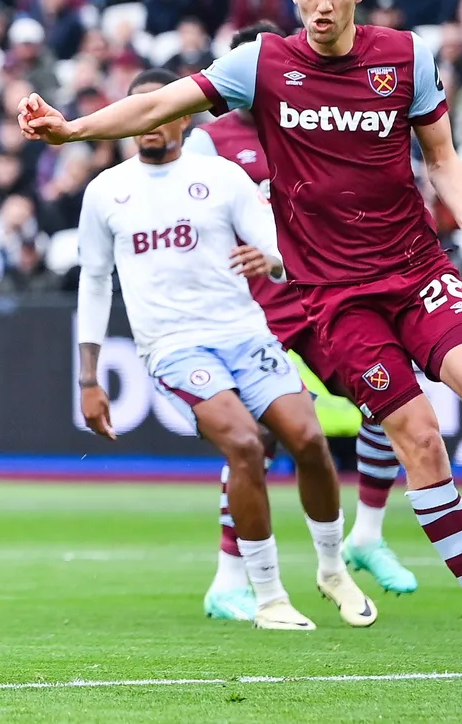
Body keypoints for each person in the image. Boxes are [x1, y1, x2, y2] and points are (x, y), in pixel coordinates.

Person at [20, 0, 462, 663]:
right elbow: (163, 103)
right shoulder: (261, 64)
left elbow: (443, 158)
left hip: (416, 267)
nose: (322, 4)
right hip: (335, 299)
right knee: (419, 436)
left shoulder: (407, 57)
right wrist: (74, 128)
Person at [76, 67, 376, 631]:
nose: (148, 124)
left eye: (160, 111)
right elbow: (94, 283)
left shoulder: (222, 177)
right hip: (173, 346)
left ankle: (333, 569)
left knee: (309, 438)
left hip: (244, 332)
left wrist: (273, 260)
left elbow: (282, 251)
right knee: (245, 443)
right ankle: (268, 597)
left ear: (184, 117)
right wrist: (89, 380)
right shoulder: (105, 191)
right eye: (138, 113)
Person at [185, 21, 417, 597]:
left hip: (319, 291)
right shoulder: (209, 141)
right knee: (253, 439)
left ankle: (367, 534)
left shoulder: (312, 122)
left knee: (388, 401)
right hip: (248, 307)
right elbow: (186, 218)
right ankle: (230, 578)